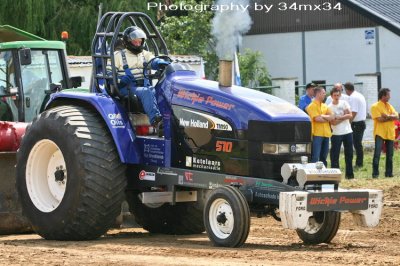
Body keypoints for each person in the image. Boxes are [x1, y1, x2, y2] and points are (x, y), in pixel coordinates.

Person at [114, 26, 170, 128]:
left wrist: (160, 63)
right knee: (146, 92)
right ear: (128, 41)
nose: (138, 44)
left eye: (140, 41)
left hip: (144, 86)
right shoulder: (117, 55)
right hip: (126, 88)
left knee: (161, 90)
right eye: (135, 42)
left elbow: (153, 61)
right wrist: (120, 81)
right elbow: (109, 76)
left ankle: (169, 119)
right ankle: (157, 121)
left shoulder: (144, 54)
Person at [370, 88, 399, 178]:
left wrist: (387, 116)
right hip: (380, 133)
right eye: (388, 95)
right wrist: (390, 117)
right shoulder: (375, 106)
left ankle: (389, 173)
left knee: (390, 155)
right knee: (377, 154)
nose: (390, 97)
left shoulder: (389, 106)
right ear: (383, 96)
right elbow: (380, 119)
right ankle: (375, 174)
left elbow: (397, 116)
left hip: (390, 133)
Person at [328, 87, 354, 179]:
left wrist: (339, 117)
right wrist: (343, 116)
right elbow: (333, 122)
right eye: (334, 95)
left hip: (347, 132)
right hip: (336, 133)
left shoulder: (344, 103)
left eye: (338, 95)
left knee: (349, 154)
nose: (336, 97)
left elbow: (350, 115)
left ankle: (349, 175)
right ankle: (335, 175)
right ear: (331, 96)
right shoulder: (329, 107)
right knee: (335, 155)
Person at [306, 86, 335, 166]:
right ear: (318, 94)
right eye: (323, 93)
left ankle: (324, 174)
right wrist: (327, 117)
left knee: (324, 157)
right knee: (315, 157)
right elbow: (317, 119)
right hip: (317, 134)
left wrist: (323, 116)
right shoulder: (311, 106)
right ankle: (313, 175)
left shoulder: (324, 105)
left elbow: (333, 117)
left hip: (326, 133)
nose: (325, 95)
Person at [344, 82, 366, 168]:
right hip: (361, 122)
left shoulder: (353, 97)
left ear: (346, 89)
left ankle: (359, 163)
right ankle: (359, 162)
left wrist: (348, 123)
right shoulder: (359, 95)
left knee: (357, 144)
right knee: (358, 144)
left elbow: (353, 112)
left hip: (357, 123)